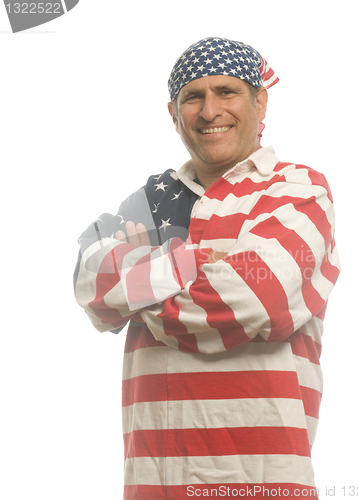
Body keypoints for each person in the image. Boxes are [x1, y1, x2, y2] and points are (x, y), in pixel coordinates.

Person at [74, 37, 340, 500]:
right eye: (192, 96)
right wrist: (193, 261)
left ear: (260, 101)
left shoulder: (298, 189)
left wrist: (140, 291)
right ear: (174, 113)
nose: (209, 110)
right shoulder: (151, 199)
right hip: (155, 480)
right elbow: (92, 283)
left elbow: (256, 301)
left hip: (264, 480)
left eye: (226, 91)